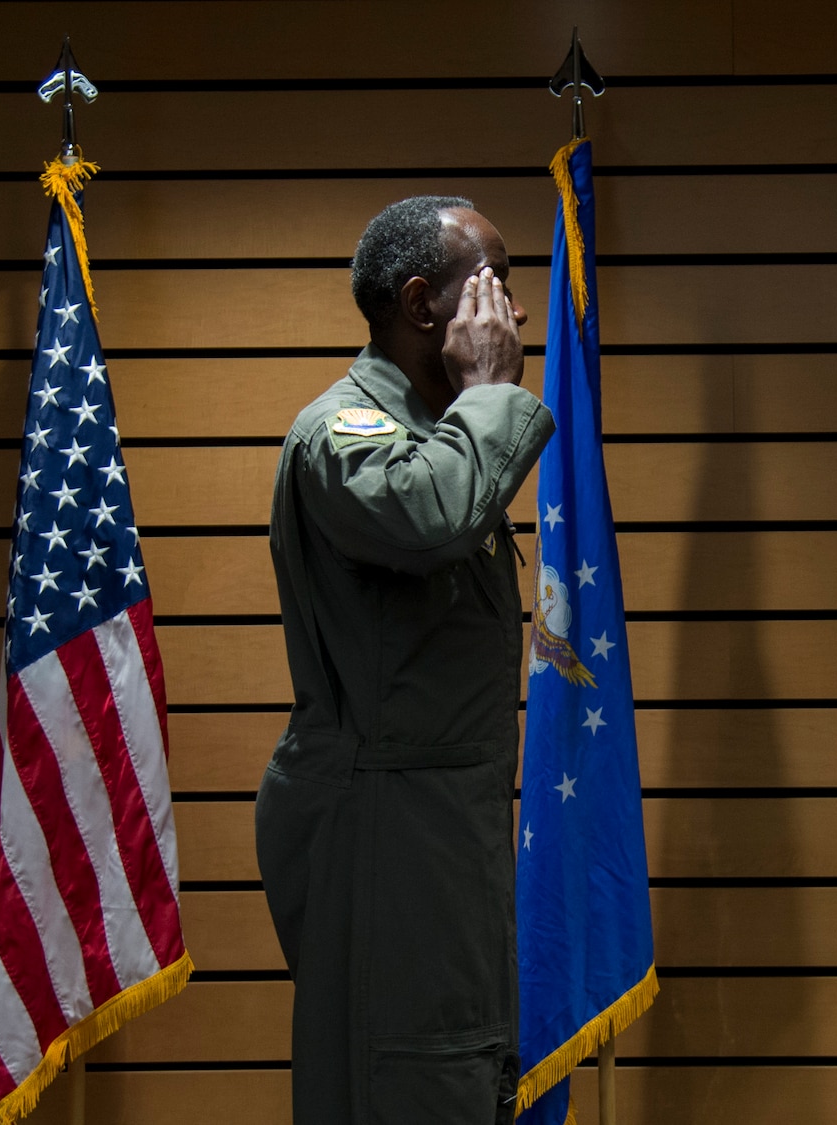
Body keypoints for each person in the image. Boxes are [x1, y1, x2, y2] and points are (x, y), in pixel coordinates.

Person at [256, 195, 554, 1124]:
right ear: (423, 304)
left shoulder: (441, 434)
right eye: (494, 282)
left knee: (462, 1069)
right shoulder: (343, 435)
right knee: (411, 1078)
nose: (515, 312)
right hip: (389, 829)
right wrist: (496, 395)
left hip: (444, 822)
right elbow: (428, 515)